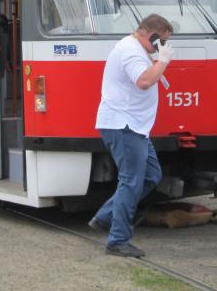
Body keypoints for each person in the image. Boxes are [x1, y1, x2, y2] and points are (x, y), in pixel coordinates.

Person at [89, 14, 173, 258]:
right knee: (132, 181)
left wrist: (157, 59)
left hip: (134, 126)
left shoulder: (138, 49)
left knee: (151, 175)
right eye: (162, 41)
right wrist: (163, 62)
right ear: (152, 35)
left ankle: (106, 216)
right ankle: (117, 240)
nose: (163, 47)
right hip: (124, 125)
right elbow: (144, 81)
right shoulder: (131, 51)